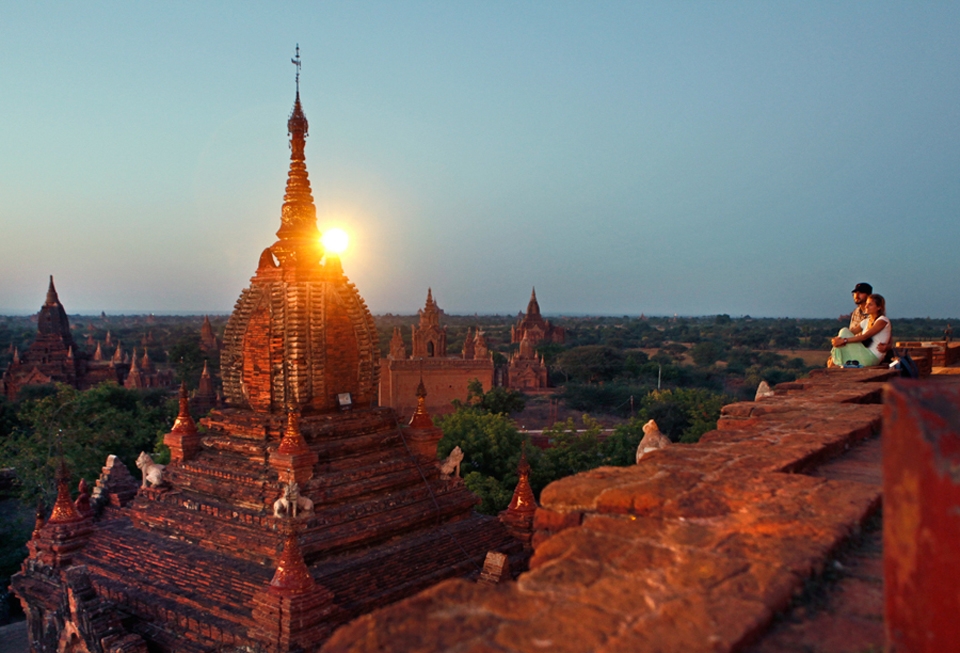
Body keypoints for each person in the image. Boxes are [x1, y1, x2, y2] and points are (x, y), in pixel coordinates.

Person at [829, 294, 891, 367]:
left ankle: (834, 360)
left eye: (870, 304)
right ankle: (834, 359)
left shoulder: (883, 320)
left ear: (879, 307)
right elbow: (849, 333)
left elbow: (865, 337)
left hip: (872, 357)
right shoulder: (866, 321)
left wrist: (843, 341)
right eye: (867, 304)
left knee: (843, 331)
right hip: (864, 353)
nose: (866, 306)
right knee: (844, 331)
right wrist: (837, 340)